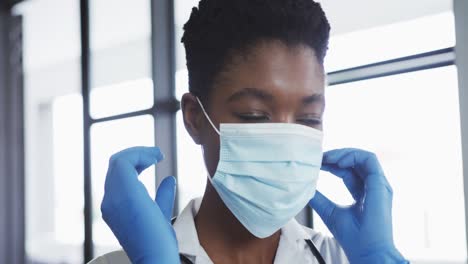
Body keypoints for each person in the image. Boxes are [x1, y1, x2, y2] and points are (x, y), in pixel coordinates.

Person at [89, 0, 409, 263]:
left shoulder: (344, 259)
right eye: (255, 116)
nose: (286, 143)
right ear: (195, 118)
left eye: (309, 118)